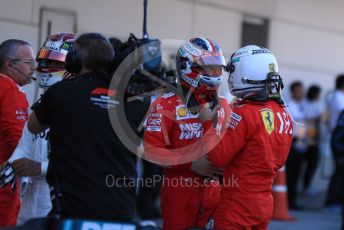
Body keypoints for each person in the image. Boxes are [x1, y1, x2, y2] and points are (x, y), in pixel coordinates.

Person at [27, 33, 137, 221]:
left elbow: (33, 126)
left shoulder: (60, 93)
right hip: (121, 210)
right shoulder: (132, 100)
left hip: (73, 210)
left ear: (74, 61)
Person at [200, 45, 293, 229]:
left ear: (245, 72)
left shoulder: (244, 113)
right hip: (264, 203)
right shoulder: (284, 112)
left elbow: (218, 158)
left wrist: (208, 122)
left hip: (237, 204)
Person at [144, 37, 230, 230]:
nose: (214, 73)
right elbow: (151, 152)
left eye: (217, 68)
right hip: (179, 193)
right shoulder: (165, 104)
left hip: (218, 194)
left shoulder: (225, 104)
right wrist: (189, 163)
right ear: (186, 67)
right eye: (207, 67)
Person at [5, 33, 77, 225]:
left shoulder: (81, 105)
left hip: (59, 192)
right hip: (27, 192)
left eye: (54, 63)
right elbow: (22, 140)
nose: (43, 68)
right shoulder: (42, 100)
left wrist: (40, 168)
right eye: (42, 61)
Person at [0, 39, 36, 227]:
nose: (34, 68)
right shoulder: (10, 91)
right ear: (9, 64)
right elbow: (17, 139)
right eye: (29, 62)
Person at [285, 81, 306, 210]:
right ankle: (289, 202)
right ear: (293, 91)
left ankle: (292, 200)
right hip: (292, 143)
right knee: (291, 174)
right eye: (299, 90)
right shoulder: (290, 105)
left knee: (297, 174)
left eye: (302, 90)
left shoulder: (300, 105)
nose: (301, 92)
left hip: (300, 144)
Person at [325, 74, 344, 213]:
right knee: (339, 172)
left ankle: (334, 201)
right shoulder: (338, 98)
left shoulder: (336, 97)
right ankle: (332, 202)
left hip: (338, 137)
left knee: (339, 172)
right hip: (338, 139)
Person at [302, 85, 322, 196]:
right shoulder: (306, 104)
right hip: (308, 138)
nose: (319, 96)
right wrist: (318, 118)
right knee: (308, 164)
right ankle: (305, 187)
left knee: (312, 165)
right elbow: (305, 119)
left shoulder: (315, 104)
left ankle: (308, 186)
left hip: (314, 138)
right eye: (318, 93)